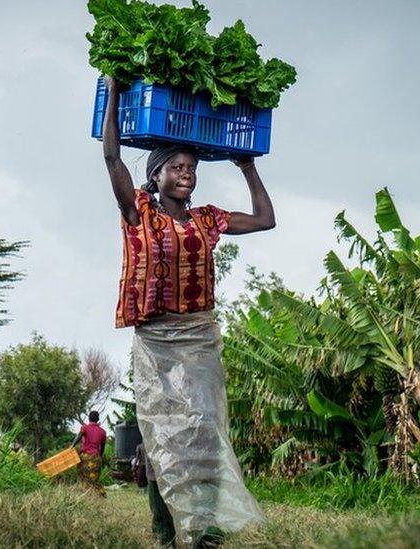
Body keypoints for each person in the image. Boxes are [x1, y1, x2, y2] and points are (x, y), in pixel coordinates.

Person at [101, 76, 273, 548]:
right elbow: (112, 157)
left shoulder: (207, 219)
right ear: (155, 176)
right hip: (155, 339)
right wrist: (115, 91)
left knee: (204, 431)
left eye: (192, 167)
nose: (186, 173)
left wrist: (246, 166)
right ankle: (165, 529)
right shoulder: (138, 213)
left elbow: (264, 220)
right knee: (161, 436)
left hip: (198, 336)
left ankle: (204, 530)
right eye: (176, 167)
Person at [71, 410, 108, 495]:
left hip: (85, 457)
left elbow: (79, 436)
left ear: (89, 418)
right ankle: (98, 494)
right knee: (94, 478)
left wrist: (72, 446)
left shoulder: (85, 428)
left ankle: (86, 494)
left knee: (83, 477)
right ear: (98, 419)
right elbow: (102, 447)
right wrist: (100, 457)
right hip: (96, 457)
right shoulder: (103, 432)